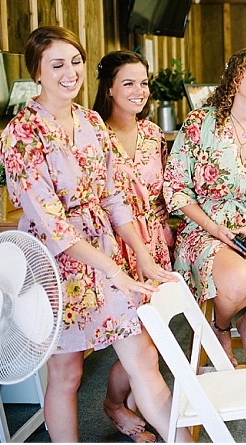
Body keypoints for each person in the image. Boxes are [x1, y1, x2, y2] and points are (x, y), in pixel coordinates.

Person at [0, 26, 191, 442]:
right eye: (57, 64)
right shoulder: (21, 135)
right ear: (36, 72)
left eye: (76, 62)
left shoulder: (90, 122)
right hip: (53, 266)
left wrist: (140, 256)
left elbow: (115, 197)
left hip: (106, 254)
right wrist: (115, 271)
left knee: (142, 355)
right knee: (67, 373)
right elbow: (54, 226)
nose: (70, 73)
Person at [163, 47, 246, 370]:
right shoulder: (200, 123)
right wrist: (216, 230)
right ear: (234, 76)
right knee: (239, 281)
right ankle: (221, 328)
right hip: (205, 228)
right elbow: (177, 189)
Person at [93, 50, 175, 443]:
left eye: (144, 82)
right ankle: (117, 405)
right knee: (137, 342)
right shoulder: (94, 136)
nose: (140, 91)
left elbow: (163, 193)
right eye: (128, 83)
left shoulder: (153, 134)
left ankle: (127, 404)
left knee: (154, 337)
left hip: (155, 242)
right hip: (116, 249)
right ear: (108, 88)